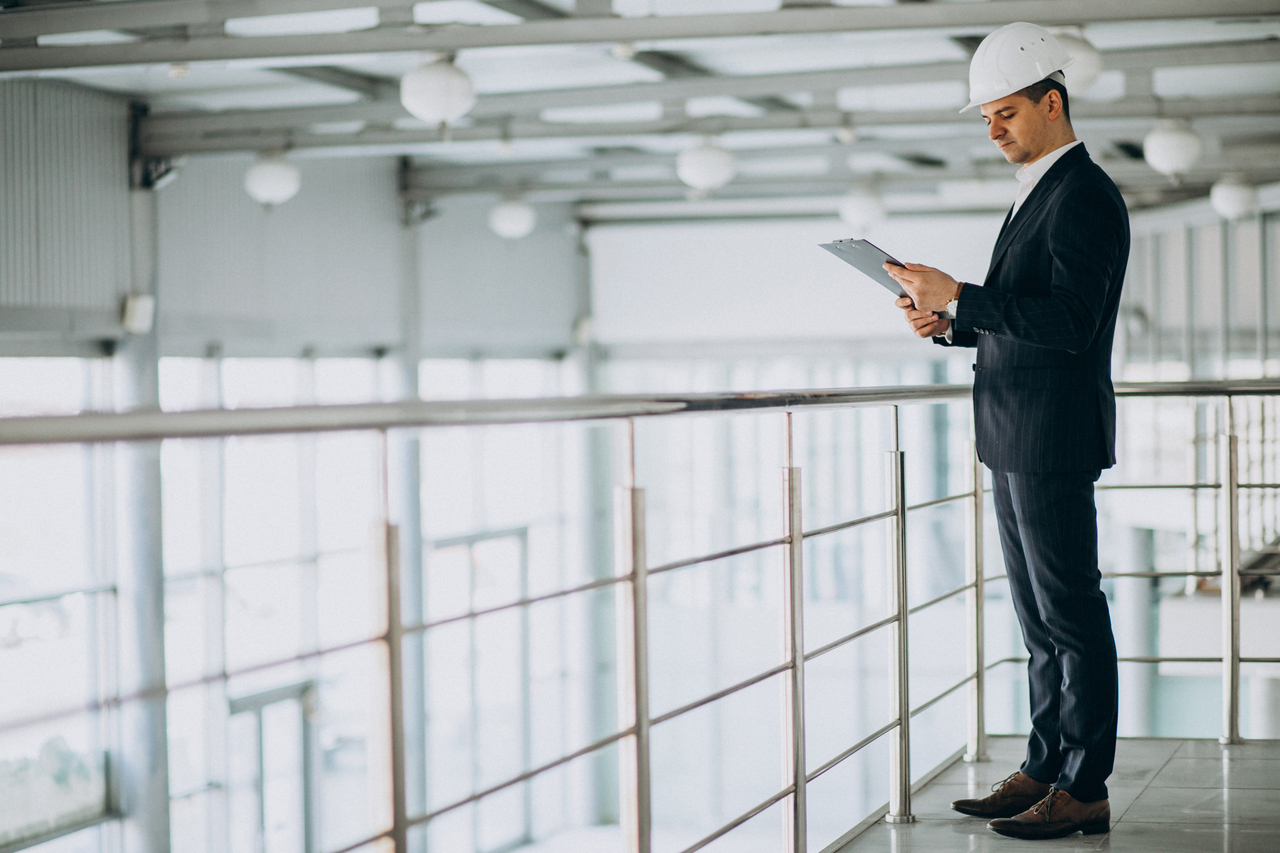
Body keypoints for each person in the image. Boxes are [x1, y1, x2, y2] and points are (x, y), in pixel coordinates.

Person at [884, 22, 1128, 841]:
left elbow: (1070, 321)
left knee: (1069, 613)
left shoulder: (1083, 194)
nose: (992, 131)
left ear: (1051, 102)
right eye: (986, 116)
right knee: (1037, 617)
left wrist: (965, 293)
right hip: (1015, 432)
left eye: (1005, 114)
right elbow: (1027, 316)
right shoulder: (1041, 190)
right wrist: (950, 320)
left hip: (1051, 436)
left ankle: (1084, 783)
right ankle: (1046, 761)